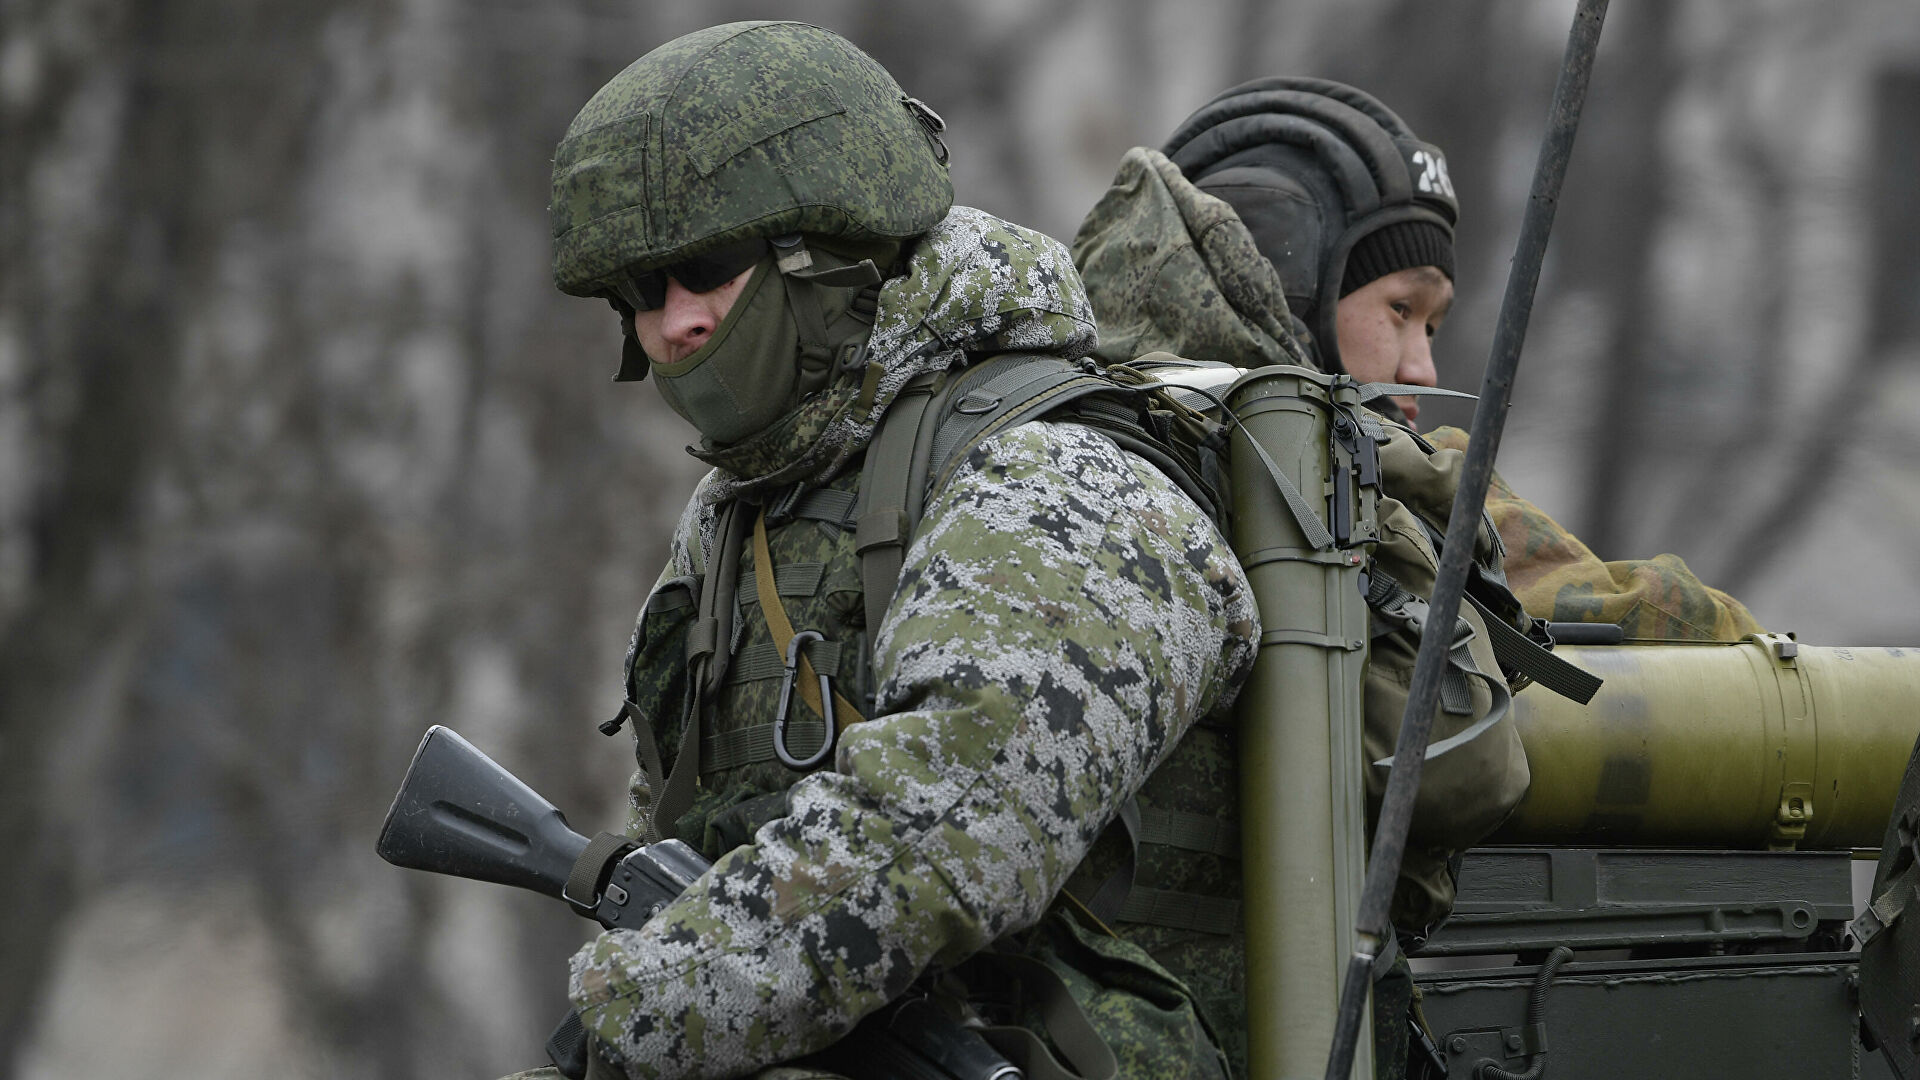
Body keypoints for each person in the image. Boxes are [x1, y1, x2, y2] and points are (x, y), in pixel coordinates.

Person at [530, 21, 1259, 1080]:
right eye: (638, 296)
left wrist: (638, 1009)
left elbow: (945, 836)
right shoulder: (740, 515)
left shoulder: (1060, 477)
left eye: (703, 269)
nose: (672, 325)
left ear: (831, 244)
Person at [1073, 77, 1763, 643]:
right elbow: (1660, 621)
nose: (1422, 369)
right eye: (1401, 310)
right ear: (1282, 293)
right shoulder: (1408, 489)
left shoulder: (1073, 437)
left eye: (1432, 326)